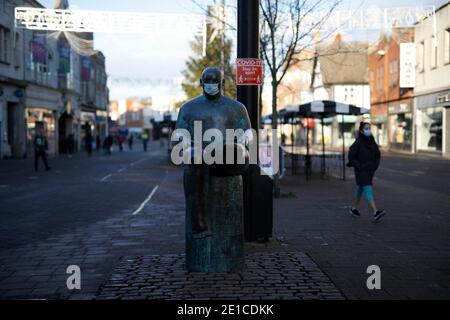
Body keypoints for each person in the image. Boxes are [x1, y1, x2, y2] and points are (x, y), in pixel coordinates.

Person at [347, 122, 385, 221]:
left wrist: (374, 166)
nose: (368, 130)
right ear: (361, 130)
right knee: (368, 188)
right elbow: (351, 155)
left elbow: (377, 154)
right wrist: (358, 166)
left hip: (370, 170)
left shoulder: (372, 142)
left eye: (369, 128)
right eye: (366, 128)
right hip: (361, 170)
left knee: (360, 189)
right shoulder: (358, 142)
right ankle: (375, 212)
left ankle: (353, 208)